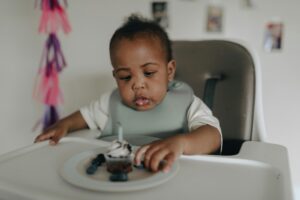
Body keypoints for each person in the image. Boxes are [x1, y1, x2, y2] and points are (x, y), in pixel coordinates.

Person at [34, 15, 222, 173]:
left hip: (172, 177)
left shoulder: (186, 103)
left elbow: (213, 136)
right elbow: (85, 116)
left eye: (148, 73)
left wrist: (181, 143)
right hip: (120, 179)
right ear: (115, 76)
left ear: (170, 71)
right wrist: (63, 125)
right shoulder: (110, 103)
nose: (137, 85)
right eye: (125, 77)